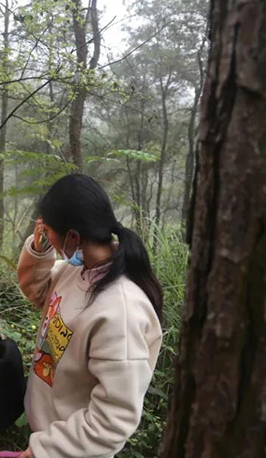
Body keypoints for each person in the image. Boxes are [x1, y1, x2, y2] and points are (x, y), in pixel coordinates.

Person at [16, 174, 163, 457]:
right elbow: (37, 291)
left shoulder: (121, 311)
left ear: (73, 236)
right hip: (50, 437)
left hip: (69, 451)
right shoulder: (76, 272)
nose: (46, 236)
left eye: (49, 232)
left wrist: (42, 451)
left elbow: (111, 422)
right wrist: (39, 248)